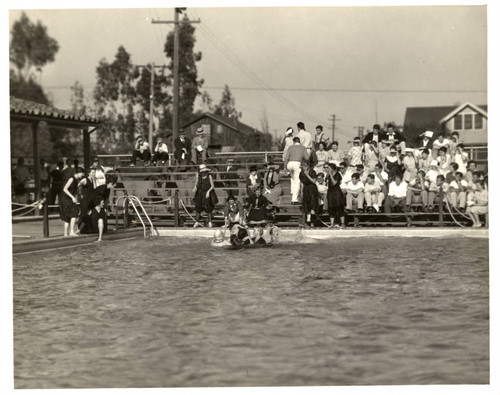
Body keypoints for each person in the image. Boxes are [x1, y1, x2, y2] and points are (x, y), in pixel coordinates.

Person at [59, 166, 85, 237]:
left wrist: (79, 195)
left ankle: (65, 233)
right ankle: (71, 232)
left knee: (67, 216)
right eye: (82, 173)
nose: (82, 175)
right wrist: (72, 197)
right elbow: (65, 189)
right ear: (78, 173)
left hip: (67, 198)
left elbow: (74, 190)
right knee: (74, 213)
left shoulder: (76, 180)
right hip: (66, 199)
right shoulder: (72, 179)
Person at [284, 136, 310, 204]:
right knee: (297, 181)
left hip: (289, 164)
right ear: (299, 142)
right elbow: (307, 158)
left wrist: (285, 167)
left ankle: (293, 192)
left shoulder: (290, 147)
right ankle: (294, 198)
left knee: (292, 180)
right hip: (297, 164)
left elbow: (286, 158)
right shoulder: (302, 147)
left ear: (294, 142)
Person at [325, 163, 345, 229]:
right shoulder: (327, 175)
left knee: (339, 207)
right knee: (331, 208)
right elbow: (326, 184)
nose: (327, 169)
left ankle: (342, 223)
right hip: (330, 192)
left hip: (337, 192)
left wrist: (330, 175)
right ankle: (332, 224)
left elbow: (334, 183)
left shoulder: (337, 174)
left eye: (329, 168)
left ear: (332, 168)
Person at [76, 167, 96, 234]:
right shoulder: (85, 179)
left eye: (94, 172)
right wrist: (80, 194)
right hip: (85, 199)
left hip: (90, 199)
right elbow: (79, 185)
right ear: (89, 173)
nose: (94, 174)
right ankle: (79, 229)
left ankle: (85, 229)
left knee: (89, 213)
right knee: (84, 214)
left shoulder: (92, 180)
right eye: (93, 172)